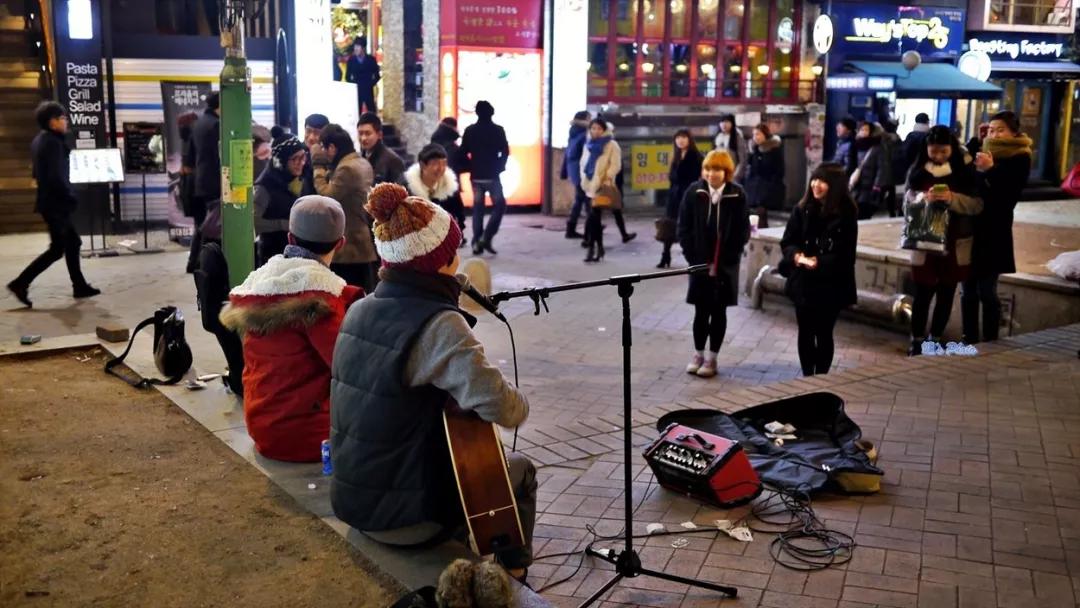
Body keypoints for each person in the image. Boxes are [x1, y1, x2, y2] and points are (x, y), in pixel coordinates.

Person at [330, 183, 535, 584]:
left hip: (353, 498)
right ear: (441, 262)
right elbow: (506, 410)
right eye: (454, 248)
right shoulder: (440, 325)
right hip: (407, 518)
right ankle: (513, 578)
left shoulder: (359, 308)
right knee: (520, 470)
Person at [220, 195, 363, 462]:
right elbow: (348, 369)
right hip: (308, 436)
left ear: (290, 238)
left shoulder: (257, 286)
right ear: (341, 243)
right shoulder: (323, 299)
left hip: (261, 426)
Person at [7, 101, 100, 307]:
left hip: (50, 202)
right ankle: (20, 283)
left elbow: (37, 173)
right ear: (52, 122)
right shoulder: (53, 143)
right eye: (62, 118)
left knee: (72, 243)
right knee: (58, 249)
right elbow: (56, 175)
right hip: (56, 204)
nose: (66, 121)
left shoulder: (40, 140)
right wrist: (69, 195)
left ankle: (79, 285)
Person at [904, 125, 984, 356]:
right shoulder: (918, 170)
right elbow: (906, 202)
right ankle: (917, 340)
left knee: (947, 292)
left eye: (943, 152)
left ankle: (935, 339)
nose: (938, 156)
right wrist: (921, 198)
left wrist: (952, 199)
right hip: (924, 242)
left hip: (955, 241)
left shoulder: (965, 171)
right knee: (923, 292)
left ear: (952, 149)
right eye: (933, 151)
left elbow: (977, 204)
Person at [780, 163, 858, 376]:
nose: (816, 185)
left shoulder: (847, 213)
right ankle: (807, 377)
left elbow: (846, 255)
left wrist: (819, 262)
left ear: (834, 186)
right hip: (803, 281)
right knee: (805, 332)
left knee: (824, 332)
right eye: (814, 179)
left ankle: (821, 379)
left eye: (822, 181)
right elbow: (787, 241)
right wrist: (796, 256)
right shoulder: (802, 208)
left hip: (830, 284)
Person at [677, 150, 749, 378]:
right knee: (700, 311)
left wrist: (730, 256)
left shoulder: (737, 194)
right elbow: (683, 227)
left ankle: (712, 358)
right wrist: (692, 257)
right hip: (699, 263)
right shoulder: (694, 192)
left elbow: (742, 230)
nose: (711, 174)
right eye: (707, 169)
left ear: (726, 172)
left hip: (725, 264)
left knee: (719, 312)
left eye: (716, 169)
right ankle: (698, 353)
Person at [962, 111, 1032, 344]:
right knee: (967, 289)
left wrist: (990, 170)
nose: (994, 134)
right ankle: (968, 337)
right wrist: (975, 141)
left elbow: (1008, 195)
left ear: (1014, 132)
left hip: (995, 230)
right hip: (972, 227)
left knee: (986, 290)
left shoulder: (1020, 156)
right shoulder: (983, 151)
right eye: (991, 129)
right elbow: (963, 173)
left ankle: (990, 339)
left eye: (1000, 129)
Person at [314, 123, 378, 293]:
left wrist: (318, 169)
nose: (322, 151)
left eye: (323, 147)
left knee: (347, 295)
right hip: (361, 242)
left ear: (332, 147)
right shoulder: (361, 162)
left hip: (350, 248)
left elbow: (327, 196)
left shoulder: (347, 168)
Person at [460, 100, 510, 255]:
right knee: (500, 205)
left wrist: (470, 165)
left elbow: (463, 151)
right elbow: (505, 151)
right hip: (493, 175)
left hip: (476, 176)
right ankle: (486, 238)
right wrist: (500, 165)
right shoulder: (498, 130)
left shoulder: (470, 130)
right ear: (492, 112)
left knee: (478, 210)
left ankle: (477, 241)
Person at [253, 136, 311, 267]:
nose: (301, 162)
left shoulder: (300, 179)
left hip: (298, 256)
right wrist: (284, 224)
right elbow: (253, 222)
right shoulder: (265, 186)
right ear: (281, 161)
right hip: (273, 258)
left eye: (303, 157)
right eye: (295, 158)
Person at [186, 91, 221, 273]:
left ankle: (193, 262)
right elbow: (219, 158)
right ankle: (204, 262)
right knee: (210, 227)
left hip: (199, 183)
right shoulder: (217, 125)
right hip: (214, 183)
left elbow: (190, 156)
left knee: (201, 226)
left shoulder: (198, 124)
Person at [579, 118, 622, 263]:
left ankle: (592, 249)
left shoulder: (611, 144)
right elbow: (583, 163)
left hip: (602, 185)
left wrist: (606, 178)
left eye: (599, 128)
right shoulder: (588, 144)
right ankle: (599, 248)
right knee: (593, 220)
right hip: (589, 185)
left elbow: (615, 165)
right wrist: (584, 178)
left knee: (594, 218)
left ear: (604, 130)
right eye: (593, 128)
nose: (595, 131)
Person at [659, 128, 703, 268]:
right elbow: (672, 177)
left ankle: (692, 256)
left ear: (689, 139)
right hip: (674, 195)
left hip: (689, 195)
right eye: (678, 138)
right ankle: (665, 255)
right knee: (668, 225)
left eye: (683, 137)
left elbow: (698, 178)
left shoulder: (696, 156)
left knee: (688, 227)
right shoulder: (676, 156)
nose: (680, 140)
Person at [405, 143, 466, 245]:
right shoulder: (408, 189)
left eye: (444, 163)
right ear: (423, 165)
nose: (441, 168)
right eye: (435, 163)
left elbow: (459, 215)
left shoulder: (450, 188)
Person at [743, 123, 785, 229]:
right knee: (754, 216)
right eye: (754, 135)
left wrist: (770, 186)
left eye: (758, 134)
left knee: (761, 214)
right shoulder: (755, 150)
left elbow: (779, 171)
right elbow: (751, 169)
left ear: (765, 135)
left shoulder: (774, 149)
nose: (755, 137)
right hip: (754, 189)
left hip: (768, 189)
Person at [560, 110, 591, 240]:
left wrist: (564, 171)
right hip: (581, 173)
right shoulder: (584, 136)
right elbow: (586, 157)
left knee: (579, 201)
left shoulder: (573, 134)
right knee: (588, 202)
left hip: (575, 172)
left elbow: (568, 155)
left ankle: (571, 229)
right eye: (589, 118)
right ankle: (592, 228)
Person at [849, 121, 888, 220]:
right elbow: (849, 165)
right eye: (862, 129)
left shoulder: (877, 147)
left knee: (864, 211)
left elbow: (881, 168)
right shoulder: (854, 145)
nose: (864, 132)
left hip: (869, 186)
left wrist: (877, 186)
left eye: (866, 130)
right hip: (855, 184)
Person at [357, 112, 405, 186]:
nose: (363, 138)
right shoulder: (360, 158)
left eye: (368, 133)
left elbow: (399, 192)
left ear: (379, 135)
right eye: (360, 133)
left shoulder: (393, 160)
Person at [345, 36, 380, 114]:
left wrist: (370, 84)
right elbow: (347, 76)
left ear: (363, 48)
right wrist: (354, 84)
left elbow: (377, 76)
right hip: (357, 90)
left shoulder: (371, 59)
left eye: (358, 46)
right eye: (355, 46)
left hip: (368, 90)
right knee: (356, 113)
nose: (356, 49)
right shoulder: (351, 60)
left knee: (372, 113)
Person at [880, 119, 902, 217]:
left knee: (882, 190)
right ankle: (892, 211)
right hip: (894, 169)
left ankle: (875, 208)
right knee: (891, 191)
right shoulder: (897, 139)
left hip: (884, 168)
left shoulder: (882, 139)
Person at [903, 112, 931, 177]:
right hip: (925, 167)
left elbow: (906, 152)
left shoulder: (910, 135)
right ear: (927, 122)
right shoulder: (929, 136)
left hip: (911, 167)